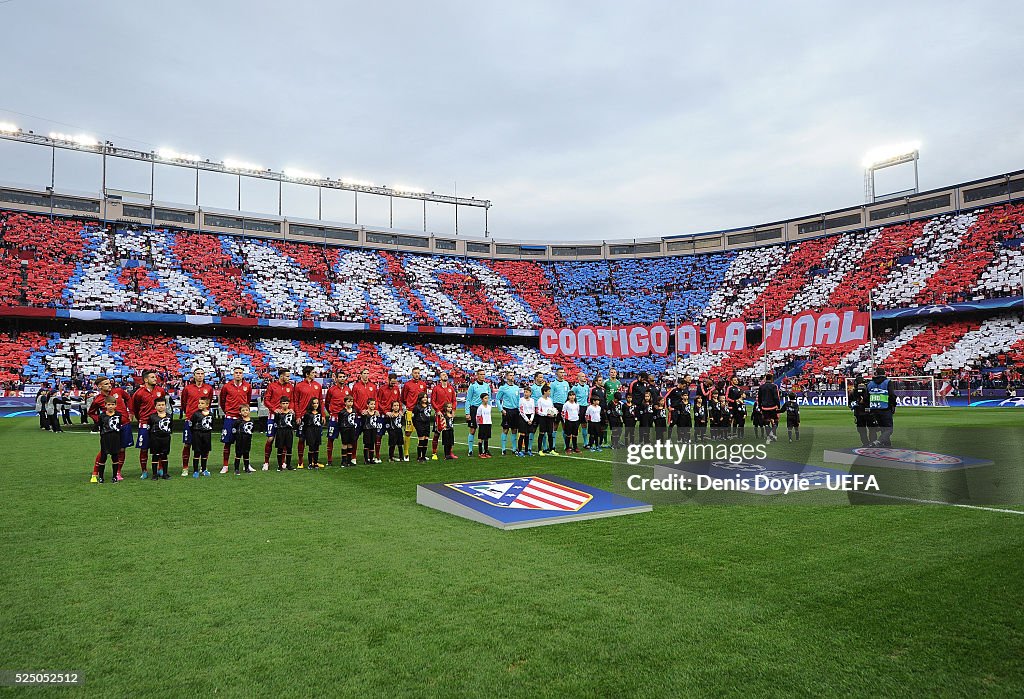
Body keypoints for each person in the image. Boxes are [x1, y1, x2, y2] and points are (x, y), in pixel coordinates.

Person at [88, 377, 133, 482]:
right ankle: (95, 473)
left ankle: (117, 472)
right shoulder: (98, 399)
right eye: (106, 384)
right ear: (100, 386)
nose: (109, 385)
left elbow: (128, 398)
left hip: (124, 424)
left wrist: (131, 412)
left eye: (109, 383)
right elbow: (91, 412)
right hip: (109, 430)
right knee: (104, 451)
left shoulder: (118, 391)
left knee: (121, 449)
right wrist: (101, 421)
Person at [218, 366, 253, 474]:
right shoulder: (227, 386)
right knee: (227, 442)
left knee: (244, 442)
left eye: (240, 373)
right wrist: (227, 411)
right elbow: (222, 400)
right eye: (236, 372)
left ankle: (246, 465)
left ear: (243, 374)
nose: (238, 374)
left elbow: (248, 400)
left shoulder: (247, 386)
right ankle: (225, 465)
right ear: (233, 374)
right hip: (230, 418)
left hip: (242, 419)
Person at [181, 369, 215, 476]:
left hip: (204, 421)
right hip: (191, 419)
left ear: (204, 376)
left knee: (205, 445)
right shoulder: (188, 388)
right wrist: (188, 413)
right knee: (187, 444)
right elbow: (183, 402)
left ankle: (203, 467)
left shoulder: (208, 388)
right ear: (194, 376)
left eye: (202, 374)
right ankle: (185, 468)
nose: (200, 376)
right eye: (198, 374)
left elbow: (208, 402)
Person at [262, 368, 294, 471]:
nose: (289, 378)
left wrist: (291, 409)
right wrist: (273, 409)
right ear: (281, 376)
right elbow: (266, 400)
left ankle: (283, 462)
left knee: (284, 439)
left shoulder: (290, 387)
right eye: (287, 376)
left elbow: (292, 400)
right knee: (270, 438)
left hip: (285, 416)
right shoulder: (272, 386)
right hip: (273, 416)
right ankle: (266, 462)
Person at [293, 366, 323, 469]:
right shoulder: (299, 386)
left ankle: (315, 461)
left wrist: (322, 414)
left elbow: (320, 401)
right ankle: (300, 461)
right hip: (303, 416)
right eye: (313, 372)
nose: (315, 374)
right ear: (307, 374)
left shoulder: (318, 385)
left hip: (315, 416)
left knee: (316, 439)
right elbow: (295, 401)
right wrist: (298, 415)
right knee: (301, 439)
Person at [91, 397, 122, 484]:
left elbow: (120, 427)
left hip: (115, 438)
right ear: (105, 405)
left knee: (115, 457)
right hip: (105, 438)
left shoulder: (119, 415)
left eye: (112, 404)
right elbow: (99, 425)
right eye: (109, 404)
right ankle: (101, 477)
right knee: (103, 457)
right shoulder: (102, 416)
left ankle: (114, 476)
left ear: (115, 405)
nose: (111, 406)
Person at [325, 370, 352, 466]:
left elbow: (350, 403)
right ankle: (329, 460)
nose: (342, 378)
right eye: (340, 377)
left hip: (345, 418)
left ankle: (346, 460)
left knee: (347, 439)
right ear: (336, 378)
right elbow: (327, 403)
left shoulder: (348, 390)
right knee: (331, 438)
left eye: (343, 377)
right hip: (335, 418)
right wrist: (332, 413)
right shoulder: (331, 390)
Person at [351, 368, 378, 461]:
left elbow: (375, 399)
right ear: (361, 375)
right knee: (355, 437)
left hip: (370, 416)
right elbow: (353, 400)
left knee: (370, 437)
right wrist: (360, 410)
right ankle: (353, 456)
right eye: (364, 373)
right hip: (359, 416)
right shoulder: (356, 386)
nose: (366, 375)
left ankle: (370, 457)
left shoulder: (373, 386)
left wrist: (376, 410)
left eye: (368, 373)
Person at [400, 367, 428, 457]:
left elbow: (424, 397)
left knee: (422, 433)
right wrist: (410, 406)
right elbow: (403, 398)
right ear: (412, 374)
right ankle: (406, 453)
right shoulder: (407, 385)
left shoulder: (423, 384)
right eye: (415, 373)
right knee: (408, 432)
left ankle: (421, 454)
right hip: (410, 411)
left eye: (418, 373)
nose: (417, 374)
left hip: (421, 412)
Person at [867, 368, 897, 447]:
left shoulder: (870, 383)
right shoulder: (887, 382)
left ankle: (887, 445)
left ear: (876, 374)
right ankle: (878, 441)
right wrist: (893, 405)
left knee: (883, 429)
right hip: (885, 408)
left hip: (873, 409)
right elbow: (891, 395)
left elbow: (866, 397)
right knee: (888, 429)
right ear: (884, 373)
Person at [463, 369, 491, 456]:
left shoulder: (487, 386)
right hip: (474, 409)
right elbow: (468, 400)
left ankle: (484, 450)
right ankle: (470, 450)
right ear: (477, 375)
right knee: (473, 430)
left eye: (484, 374)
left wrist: (488, 410)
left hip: (484, 410)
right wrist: (467, 413)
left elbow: (488, 399)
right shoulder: (473, 386)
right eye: (481, 374)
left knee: (484, 430)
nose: (483, 376)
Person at [429, 372, 456, 460]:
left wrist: (453, 411)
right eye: (443, 374)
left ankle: (449, 453)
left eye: (446, 374)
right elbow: (433, 401)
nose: (445, 375)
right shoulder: (436, 388)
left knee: (449, 433)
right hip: (440, 414)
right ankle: (434, 453)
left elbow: (454, 400)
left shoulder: (451, 388)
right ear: (440, 377)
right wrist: (437, 410)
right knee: (437, 434)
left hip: (449, 414)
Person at [147, 397, 174, 480]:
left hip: (165, 438)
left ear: (165, 406)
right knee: (155, 456)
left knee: (164, 455)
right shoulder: (152, 417)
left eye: (163, 405)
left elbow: (171, 427)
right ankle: (154, 474)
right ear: (155, 407)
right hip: (155, 439)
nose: (161, 406)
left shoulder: (169, 416)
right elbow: (149, 427)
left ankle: (165, 473)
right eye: (159, 405)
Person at [495, 373, 521, 455]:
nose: (512, 377)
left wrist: (519, 409)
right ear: (506, 377)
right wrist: (501, 409)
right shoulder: (503, 388)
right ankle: (503, 448)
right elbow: (497, 399)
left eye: (513, 375)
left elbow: (518, 400)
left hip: (515, 411)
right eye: (510, 375)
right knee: (505, 429)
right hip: (507, 410)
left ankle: (514, 448)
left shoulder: (516, 388)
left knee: (514, 430)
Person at [189, 396, 214, 478]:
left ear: (207, 405)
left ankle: (204, 469)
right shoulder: (196, 414)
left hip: (207, 435)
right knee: (197, 452)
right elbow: (191, 425)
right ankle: (195, 471)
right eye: (199, 403)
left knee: (205, 453)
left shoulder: (211, 414)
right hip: (197, 434)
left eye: (202, 403)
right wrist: (196, 432)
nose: (199, 405)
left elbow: (211, 424)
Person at [756, 373, 782, 444]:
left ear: (766, 379)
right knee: (776, 421)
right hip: (773, 407)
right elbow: (776, 397)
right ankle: (771, 434)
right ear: (771, 379)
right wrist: (778, 407)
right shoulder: (774, 386)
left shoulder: (761, 387)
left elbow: (759, 398)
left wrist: (760, 407)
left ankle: (769, 437)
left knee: (766, 423)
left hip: (764, 407)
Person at [300, 396, 325, 469]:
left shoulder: (319, 413)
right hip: (310, 431)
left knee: (317, 447)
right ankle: (310, 463)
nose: (316, 405)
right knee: (311, 447)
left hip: (317, 430)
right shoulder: (307, 414)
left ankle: (316, 462)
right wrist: (305, 433)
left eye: (317, 403)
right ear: (311, 404)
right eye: (314, 403)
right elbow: (305, 424)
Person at [274, 395, 297, 471]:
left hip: (289, 431)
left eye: (287, 403)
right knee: (280, 448)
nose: (285, 405)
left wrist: (293, 428)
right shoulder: (278, 413)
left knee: (289, 448)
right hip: (280, 431)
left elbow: (293, 422)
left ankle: (288, 465)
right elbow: (275, 422)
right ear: (280, 404)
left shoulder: (291, 413)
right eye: (283, 403)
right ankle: (280, 465)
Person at [549, 368, 570, 450]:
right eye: (560, 372)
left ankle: (566, 445)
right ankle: (553, 445)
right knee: (555, 425)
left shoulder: (566, 383)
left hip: (565, 406)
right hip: (556, 405)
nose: (562, 374)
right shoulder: (553, 384)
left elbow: (568, 395)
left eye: (563, 372)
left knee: (565, 425)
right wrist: (552, 407)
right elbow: (551, 396)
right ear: (556, 374)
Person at [232, 404, 256, 474]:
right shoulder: (238, 421)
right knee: (238, 454)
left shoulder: (252, 421)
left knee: (246, 454)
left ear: (249, 411)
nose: (245, 412)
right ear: (240, 412)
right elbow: (234, 429)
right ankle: (236, 469)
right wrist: (236, 437)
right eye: (243, 410)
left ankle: (246, 468)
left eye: (246, 410)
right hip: (240, 440)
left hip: (248, 440)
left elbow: (252, 430)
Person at [848, 374, 870, 446]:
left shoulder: (852, 393)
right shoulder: (868, 391)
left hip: (859, 413)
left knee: (862, 430)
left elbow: (850, 405)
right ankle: (872, 442)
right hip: (868, 413)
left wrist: (856, 403)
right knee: (872, 429)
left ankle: (866, 443)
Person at [667, 377, 692, 443]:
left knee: (680, 425)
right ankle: (669, 439)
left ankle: (679, 438)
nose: (684, 387)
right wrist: (668, 406)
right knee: (672, 424)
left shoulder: (684, 391)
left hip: (681, 410)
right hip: (674, 409)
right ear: (680, 384)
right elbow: (666, 397)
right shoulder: (674, 390)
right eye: (683, 386)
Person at [338, 395, 360, 467]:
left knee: (351, 444)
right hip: (345, 429)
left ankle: (349, 460)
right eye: (349, 401)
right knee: (345, 444)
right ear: (345, 402)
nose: (350, 403)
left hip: (352, 429)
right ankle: (343, 461)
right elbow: (340, 422)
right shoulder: (342, 412)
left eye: (352, 401)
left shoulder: (354, 411)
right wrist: (341, 430)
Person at [362, 398, 385, 464]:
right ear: (367, 405)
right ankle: (366, 459)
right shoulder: (365, 413)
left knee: (372, 444)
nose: (373, 406)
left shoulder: (376, 413)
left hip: (374, 429)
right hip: (367, 430)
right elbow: (363, 422)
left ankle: (371, 459)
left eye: (374, 404)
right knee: (367, 444)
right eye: (371, 404)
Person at [572, 373, 592, 447]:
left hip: (585, 407)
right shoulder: (575, 387)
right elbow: (571, 397)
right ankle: (573, 443)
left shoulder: (587, 387)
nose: (584, 378)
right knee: (576, 425)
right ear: (578, 378)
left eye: (585, 376)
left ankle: (586, 442)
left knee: (584, 425)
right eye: (583, 376)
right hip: (577, 407)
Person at [413, 393, 434, 462]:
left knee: (426, 440)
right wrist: (416, 425)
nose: (425, 399)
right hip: (419, 424)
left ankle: (424, 456)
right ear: (420, 398)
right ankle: (419, 457)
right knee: (421, 440)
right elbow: (414, 417)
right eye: (423, 397)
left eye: (426, 397)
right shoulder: (417, 407)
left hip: (427, 425)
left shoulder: (428, 406)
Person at [535, 384, 556, 455]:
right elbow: (538, 411)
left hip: (550, 418)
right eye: (549, 391)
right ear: (544, 392)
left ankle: (551, 449)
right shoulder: (540, 400)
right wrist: (545, 414)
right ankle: (539, 450)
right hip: (543, 418)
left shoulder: (550, 400)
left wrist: (554, 412)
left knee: (550, 433)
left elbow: (552, 407)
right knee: (542, 433)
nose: (550, 393)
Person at [516, 387, 536, 456]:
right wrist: (527, 420)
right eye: (525, 392)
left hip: (530, 417)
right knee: (522, 434)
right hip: (523, 418)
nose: (525, 393)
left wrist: (531, 419)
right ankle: (519, 450)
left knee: (528, 434)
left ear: (530, 393)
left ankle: (527, 450)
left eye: (527, 392)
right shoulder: (521, 400)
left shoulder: (532, 400)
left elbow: (533, 410)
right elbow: (521, 411)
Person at [476, 393, 494, 458]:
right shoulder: (480, 407)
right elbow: (478, 417)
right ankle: (480, 453)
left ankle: (486, 452)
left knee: (486, 438)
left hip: (488, 423)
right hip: (482, 424)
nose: (487, 400)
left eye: (487, 398)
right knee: (481, 438)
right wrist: (479, 425)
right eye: (485, 398)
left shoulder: (489, 407)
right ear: (482, 399)